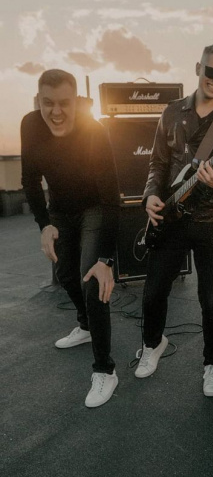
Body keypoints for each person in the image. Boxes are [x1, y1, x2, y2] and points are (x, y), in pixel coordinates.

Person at [136, 43, 213, 397]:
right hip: (171, 216)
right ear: (198, 68)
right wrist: (150, 195)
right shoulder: (172, 112)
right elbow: (157, 163)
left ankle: (212, 363)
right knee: (154, 291)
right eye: (211, 72)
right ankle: (152, 343)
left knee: (212, 299)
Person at [21, 69, 120, 408]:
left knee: (92, 280)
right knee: (65, 275)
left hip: (95, 207)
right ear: (39, 100)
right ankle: (86, 325)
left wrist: (106, 260)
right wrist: (44, 225)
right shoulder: (30, 125)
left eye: (64, 103)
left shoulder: (95, 131)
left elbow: (112, 199)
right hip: (60, 210)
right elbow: (30, 181)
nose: (56, 112)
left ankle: (105, 370)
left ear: (76, 102)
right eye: (48, 103)